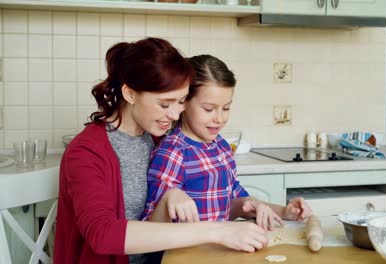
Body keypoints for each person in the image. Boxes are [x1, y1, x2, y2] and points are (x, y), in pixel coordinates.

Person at [54, 39, 268, 264]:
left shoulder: (157, 140)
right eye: (165, 104)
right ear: (130, 94)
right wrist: (216, 231)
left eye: (181, 102)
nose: (175, 115)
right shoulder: (86, 152)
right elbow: (102, 234)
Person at [141, 54, 312, 230]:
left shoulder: (221, 147)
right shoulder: (174, 152)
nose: (219, 118)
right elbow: (150, 228)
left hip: (218, 250)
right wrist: (170, 198)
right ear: (183, 103)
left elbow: (233, 205)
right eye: (209, 109)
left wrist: (284, 212)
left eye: (226, 108)